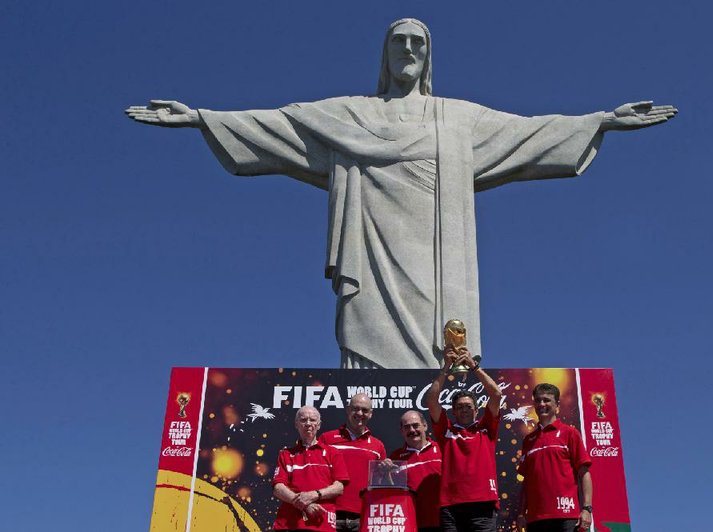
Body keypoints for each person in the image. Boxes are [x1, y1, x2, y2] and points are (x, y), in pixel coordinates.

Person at [126, 18, 677, 370]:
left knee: (444, 352)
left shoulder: (457, 119)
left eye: (418, 43)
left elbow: (528, 132)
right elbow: (281, 126)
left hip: (437, 262)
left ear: (428, 57)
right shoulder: (351, 115)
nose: (408, 49)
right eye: (398, 42)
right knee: (366, 349)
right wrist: (202, 118)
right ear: (385, 55)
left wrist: (600, 121)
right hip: (371, 253)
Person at [426, 348, 503, 532]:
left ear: (476, 410)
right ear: (453, 411)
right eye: (459, 407)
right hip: (451, 507)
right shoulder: (446, 431)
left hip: (483, 504)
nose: (464, 410)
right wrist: (445, 367)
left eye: (468, 406)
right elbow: (431, 400)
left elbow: (496, 394)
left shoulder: (486, 428)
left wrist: (473, 366)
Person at [516, 384, 593, 532]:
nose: (541, 404)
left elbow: (584, 472)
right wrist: (520, 513)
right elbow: (526, 482)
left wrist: (587, 509)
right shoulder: (528, 440)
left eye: (546, 400)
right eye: (538, 401)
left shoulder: (570, 433)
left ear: (557, 404)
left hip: (567, 516)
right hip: (535, 519)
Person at [272, 406, 348, 532]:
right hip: (289, 524)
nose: (308, 423)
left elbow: (339, 487)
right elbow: (278, 488)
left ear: (319, 425)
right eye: (303, 420)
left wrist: (314, 495)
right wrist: (304, 504)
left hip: (322, 524)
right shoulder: (285, 454)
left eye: (312, 420)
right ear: (296, 424)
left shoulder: (333, 453)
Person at [319, 393, 387, 532]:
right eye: (355, 409)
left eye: (365, 410)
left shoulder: (378, 446)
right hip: (331, 514)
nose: (360, 413)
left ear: (371, 414)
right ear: (348, 409)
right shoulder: (327, 439)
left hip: (364, 516)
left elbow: (382, 483)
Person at [388, 410, 443, 532]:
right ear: (401, 431)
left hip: (444, 521)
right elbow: (392, 492)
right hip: (411, 523)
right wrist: (385, 474)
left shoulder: (442, 449)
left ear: (425, 426)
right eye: (407, 427)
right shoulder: (395, 458)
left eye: (415, 425)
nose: (412, 430)